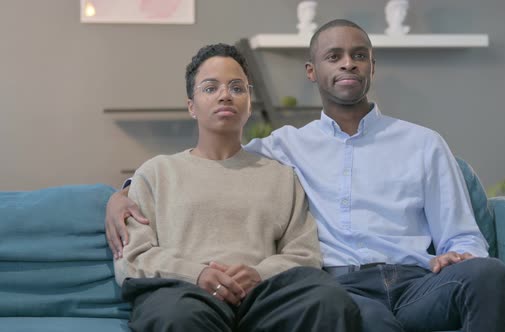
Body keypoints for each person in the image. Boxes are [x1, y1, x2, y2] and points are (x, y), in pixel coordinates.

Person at [107, 20, 505, 331]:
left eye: (358, 55)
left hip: (416, 281)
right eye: (333, 56)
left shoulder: (423, 143)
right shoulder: (285, 147)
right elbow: (212, 163)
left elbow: (462, 235)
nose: (347, 63)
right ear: (312, 71)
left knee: (488, 272)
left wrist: (461, 255)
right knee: (355, 315)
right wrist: (122, 192)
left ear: (373, 66)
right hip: (345, 286)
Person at [113, 43, 361, 332]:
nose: (225, 96)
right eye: (210, 88)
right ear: (191, 106)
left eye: (236, 88)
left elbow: (305, 254)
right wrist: (198, 274)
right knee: (175, 315)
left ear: (249, 101)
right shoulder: (156, 172)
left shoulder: (280, 176)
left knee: (328, 300)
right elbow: (133, 257)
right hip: (185, 291)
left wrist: (258, 273)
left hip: (265, 294)